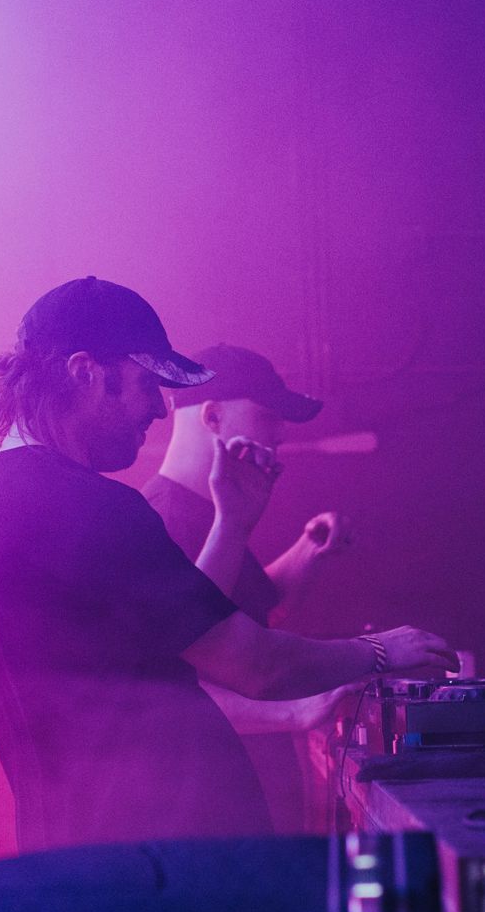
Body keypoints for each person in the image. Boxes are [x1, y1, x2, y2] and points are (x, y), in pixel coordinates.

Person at [0, 277, 456, 851]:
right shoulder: (82, 505)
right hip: (163, 864)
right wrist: (381, 652)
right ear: (84, 371)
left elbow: (170, 642)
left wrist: (232, 523)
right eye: (144, 384)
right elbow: (252, 665)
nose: (159, 411)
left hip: (98, 857)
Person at [144, 345, 355, 830]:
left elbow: (252, 611)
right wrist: (294, 710)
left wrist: (309, 550)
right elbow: (167, 689)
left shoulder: (212, 513)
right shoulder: (161, 523)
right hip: (209, 810)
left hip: (251, 796)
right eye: (266, 415)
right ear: (213, 416)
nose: (279, 432)